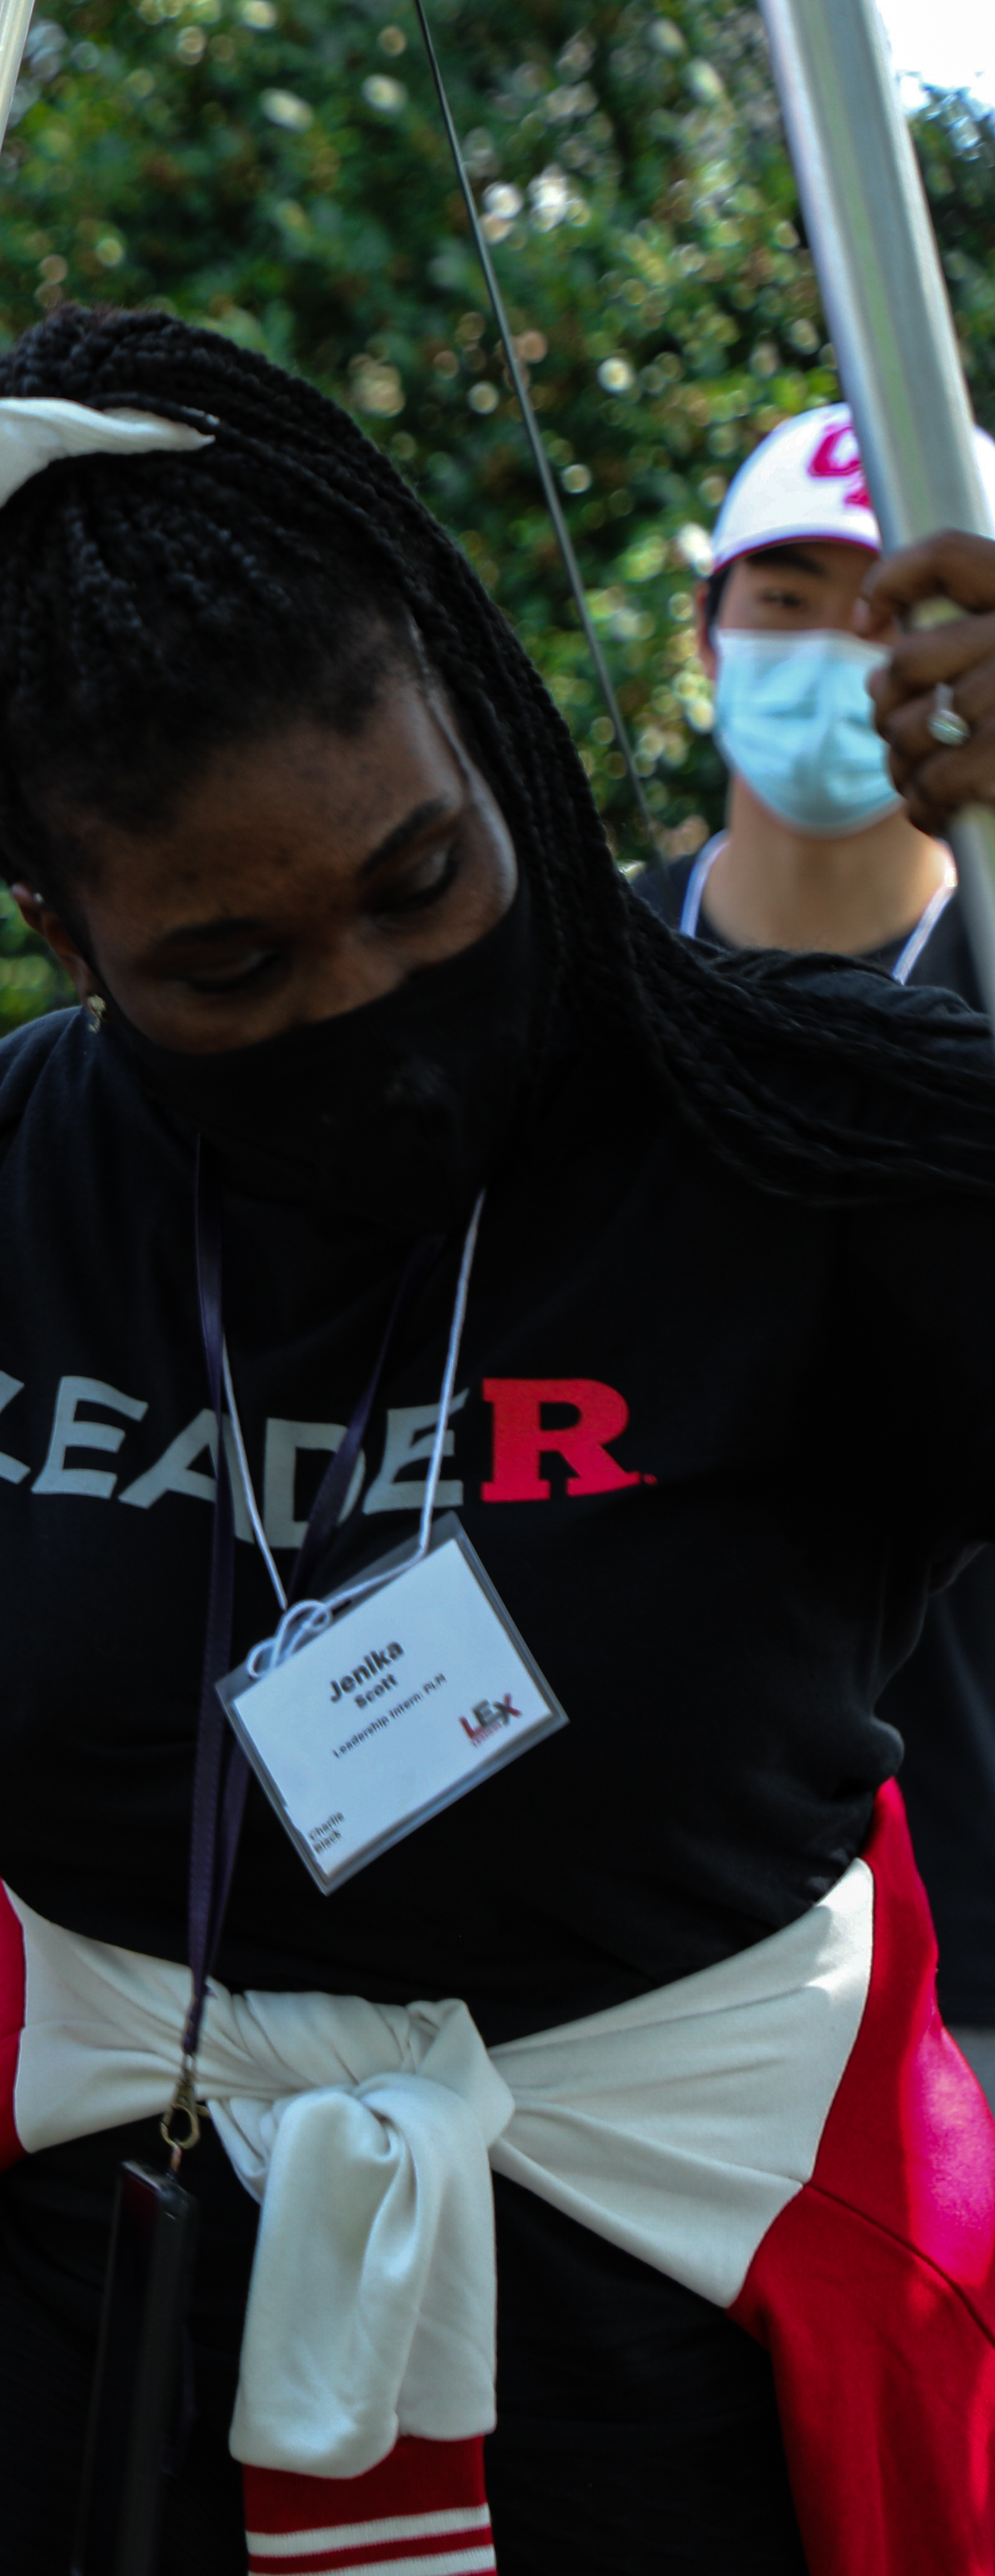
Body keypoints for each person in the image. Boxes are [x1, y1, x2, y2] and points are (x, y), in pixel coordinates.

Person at [0, 308, 995, 2576]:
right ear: (72, 940)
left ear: (492, 725)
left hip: (655, 2269)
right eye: (232, 964)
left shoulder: (784, 1139)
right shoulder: (25, 1167)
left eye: (425, 878)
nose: (376, 993)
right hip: (131, 2226)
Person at [636, 405, 995, 2096]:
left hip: (974, 1965)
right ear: (707, 630)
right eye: (786, 594)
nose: (840, 648)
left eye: (891, 605)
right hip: (631, 1964)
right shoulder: (574, 976)